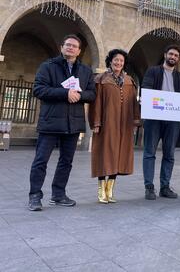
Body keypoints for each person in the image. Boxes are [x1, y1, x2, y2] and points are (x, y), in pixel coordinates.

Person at [28, 35, 96, 211]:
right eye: (68, 45)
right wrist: (64, 93)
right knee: (40, 160)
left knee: (66, 161)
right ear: (62, 47)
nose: (71, 48)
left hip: (73, 124)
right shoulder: (48, 66)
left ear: (79, 51)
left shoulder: (85, 71)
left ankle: (58, 194)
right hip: (50, 122)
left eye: (74, 46)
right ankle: (35, 196)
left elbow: (92, 94)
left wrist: (79, 95)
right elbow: (38, 89)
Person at [89, 49, 140, 204]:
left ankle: (110, 191)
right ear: (110, 61)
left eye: (121, 61)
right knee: (104, 155)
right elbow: (95, 103)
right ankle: (101, 190)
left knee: (118, 156)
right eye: (116, 60)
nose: (118, 63)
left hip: (124, 125)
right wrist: (96, 122)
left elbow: (134, 103)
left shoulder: (129, 81)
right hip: (106, 123)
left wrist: (135, 121)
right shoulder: (101, 79)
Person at [142, 45, 180, 200]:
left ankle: (165, 187)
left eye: (176, 55)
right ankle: (149, 187)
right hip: (154, 119)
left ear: (178, 59)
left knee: (169, 154)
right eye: (171, 54)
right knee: (150, 153)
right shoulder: (153, 71)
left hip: (173, 121)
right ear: (165, 55)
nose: (173, 57)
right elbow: (146, 88)